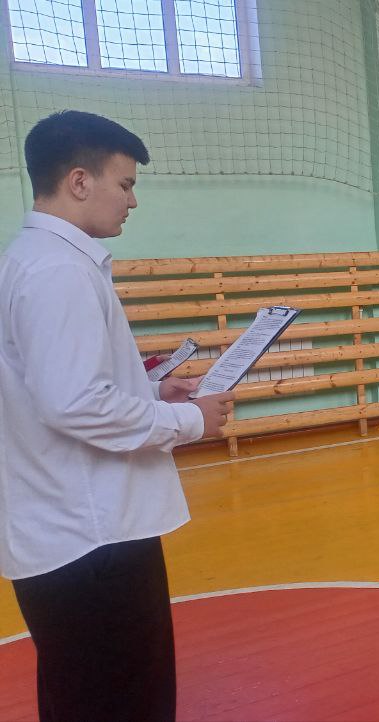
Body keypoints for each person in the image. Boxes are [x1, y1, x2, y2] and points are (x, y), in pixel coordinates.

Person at [0, 110, 232, 721]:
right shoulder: (57, 269)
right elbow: (73, 402)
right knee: (123, 702)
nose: (133, 200)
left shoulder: (33, 259)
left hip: (71, 530)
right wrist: (190, 422)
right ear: (79, 181)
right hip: (92, 538)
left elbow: (54, 386)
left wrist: (151, 393)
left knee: (83, 697)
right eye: (125, 184)